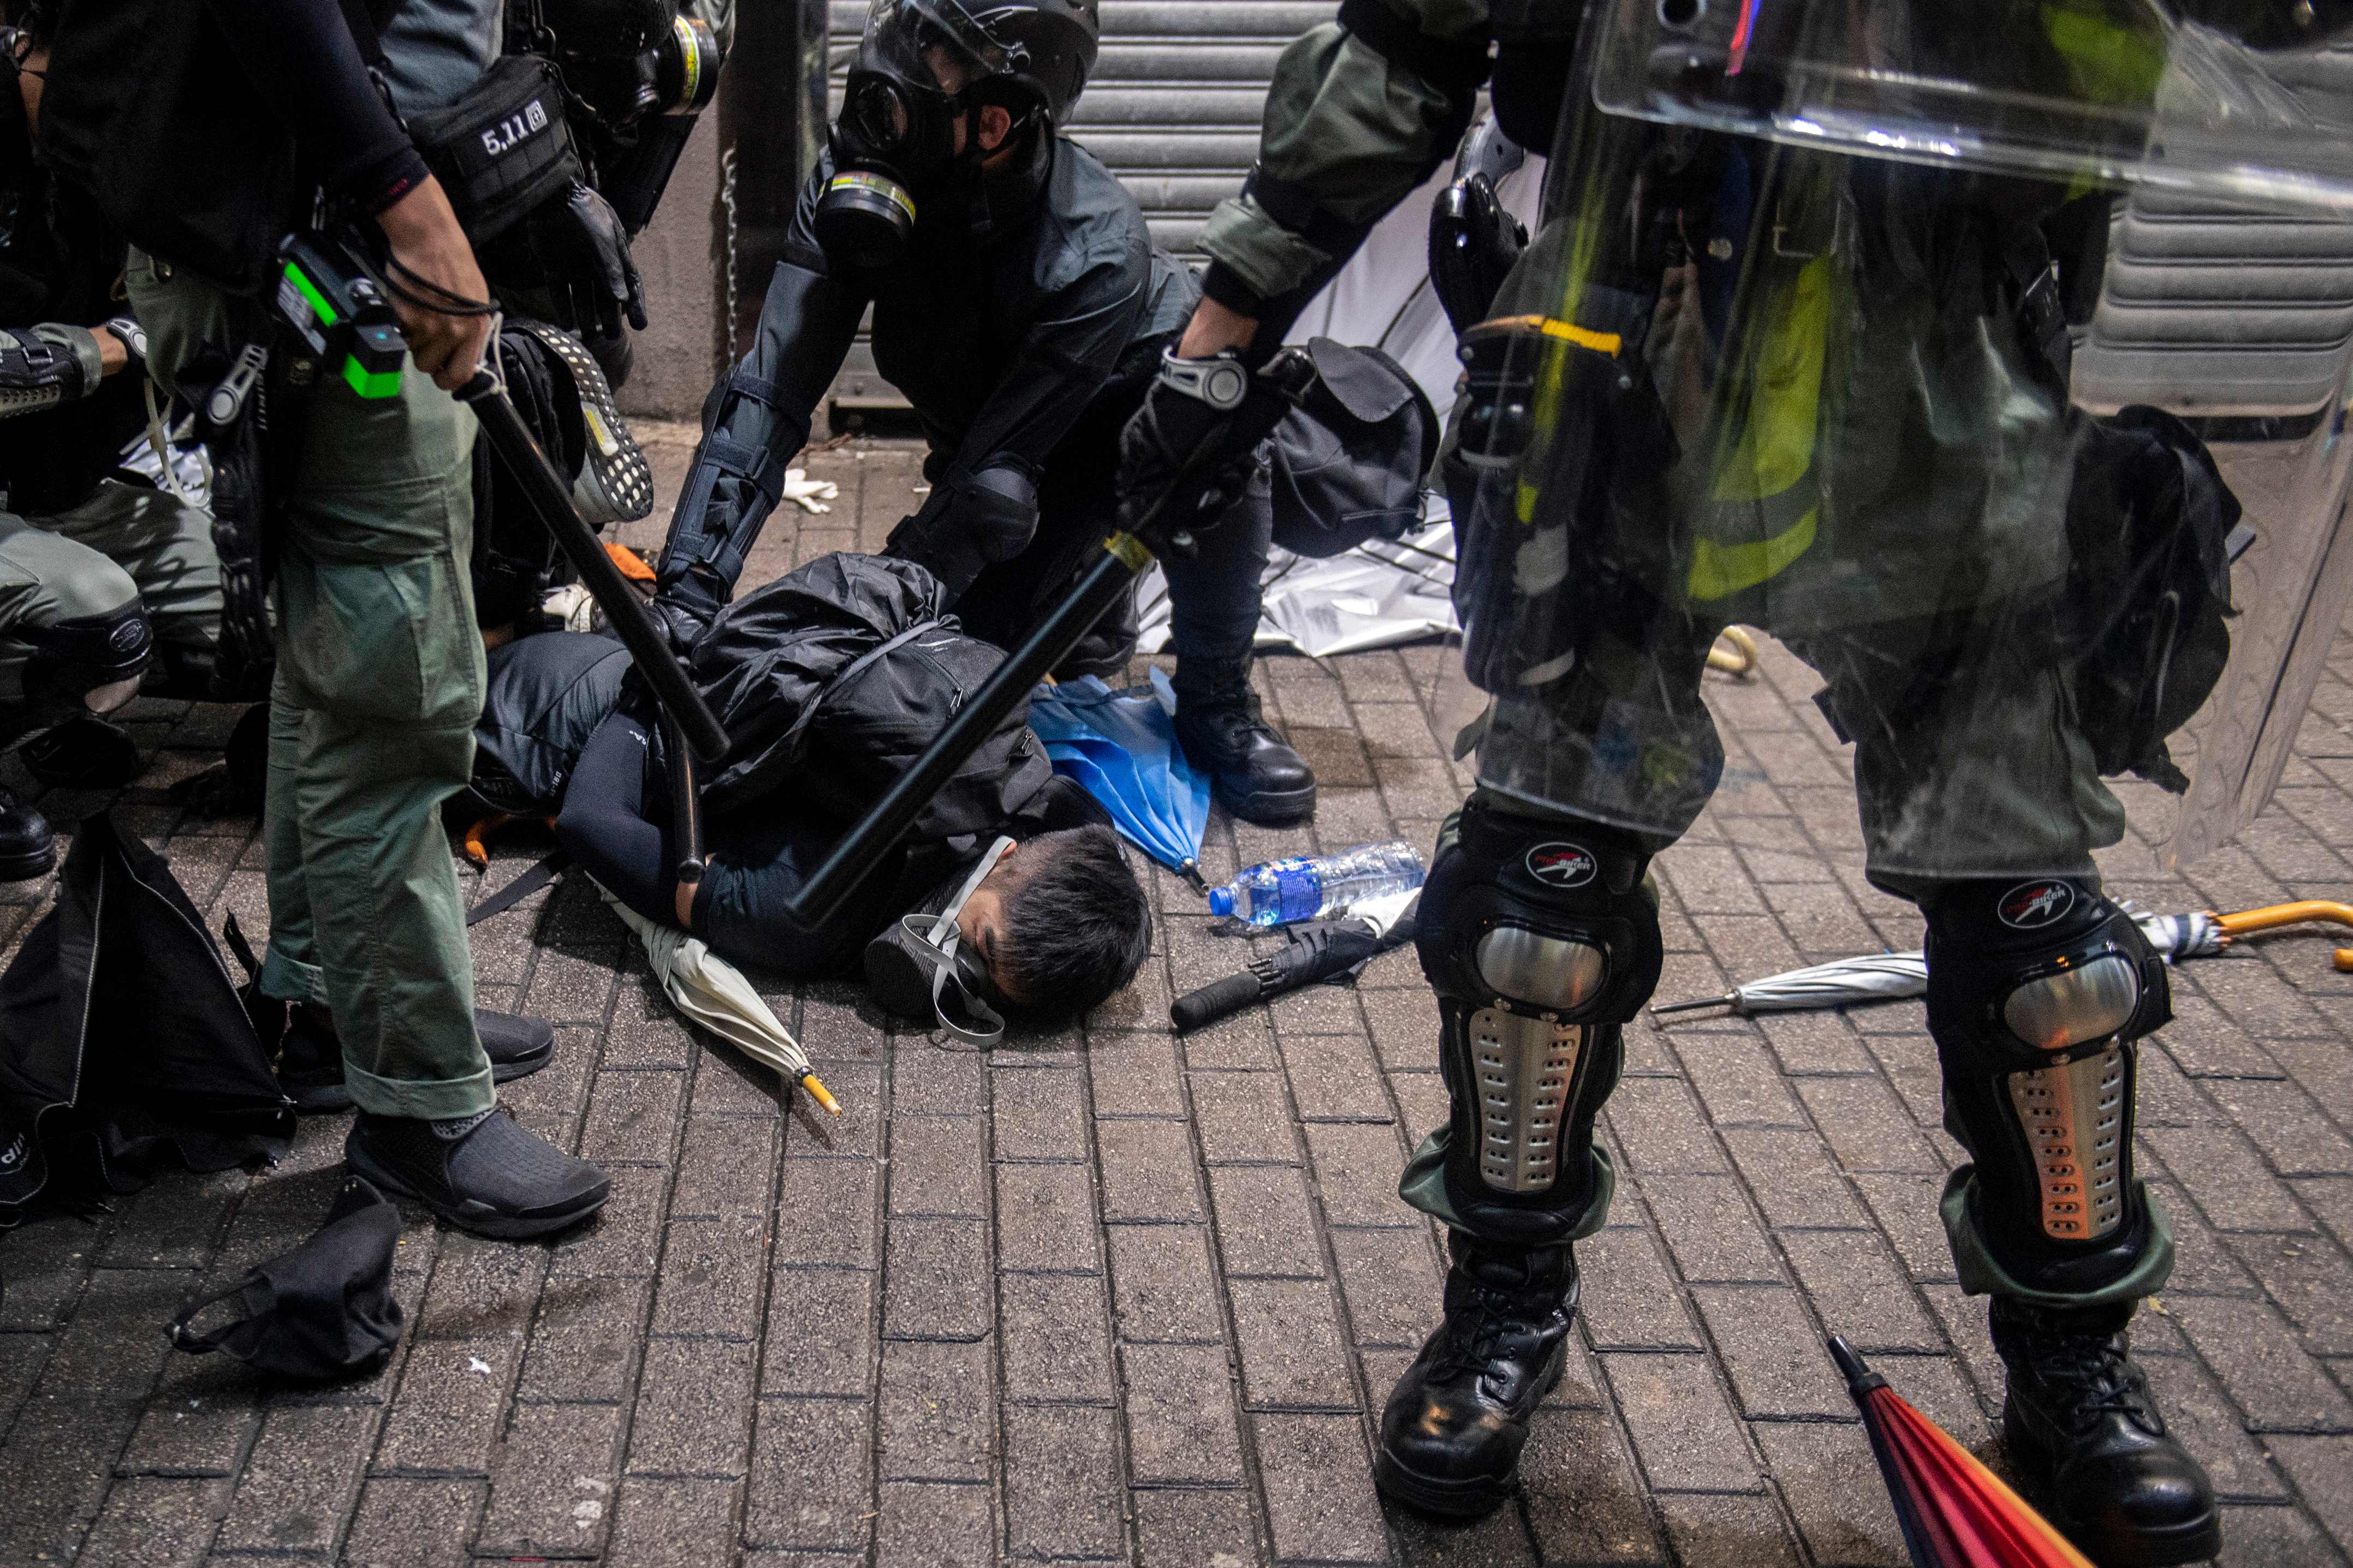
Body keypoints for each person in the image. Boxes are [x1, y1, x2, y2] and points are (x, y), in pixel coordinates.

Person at [1112, 2, 2353, 1561]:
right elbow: (1407, 50)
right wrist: (1216, 338)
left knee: (2048, 957)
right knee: (1529, 922)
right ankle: (1501, 1309)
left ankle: (2072, 1365)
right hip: (1636, 370)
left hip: (1947, 403)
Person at [41, 0, 610, 1237]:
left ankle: (323, 1010)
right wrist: (405, 196)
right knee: (393, 673)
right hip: (314, 244)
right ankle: (419, 1114)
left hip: (287, 222)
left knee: (344, 639)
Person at [653, 0, 1321, 827]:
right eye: (905, 23)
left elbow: (978, 498)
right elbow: (771, 388)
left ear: (995, 119)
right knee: (954, 635)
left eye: (931, 50)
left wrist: (857, 635)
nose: (891, 59)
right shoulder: (865, 169)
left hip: (1110, 429)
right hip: (997, 446)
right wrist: (685, 598)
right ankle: (1086, 618)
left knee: (1216, 440)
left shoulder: (1095, 245)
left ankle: (1215, 698)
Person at [0, 20, 224, 878]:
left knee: (253, 614)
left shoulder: (121, 146)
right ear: (26, 41)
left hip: (62, 482)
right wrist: (99, 347)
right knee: (93, 614)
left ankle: (51, 720)